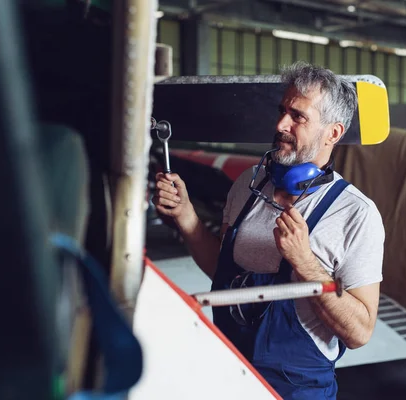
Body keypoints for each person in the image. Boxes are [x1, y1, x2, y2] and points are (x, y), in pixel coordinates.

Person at [152, 61, 385, 399]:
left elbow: (360, 332)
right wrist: (186, 216)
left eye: (298, 116)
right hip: (227, 373)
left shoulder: (355, 214)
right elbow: (223, 271)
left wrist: (305, 263)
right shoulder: (248, 183)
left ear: (333, 133)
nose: (280, 124)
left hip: (296, 389)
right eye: (282, 111)